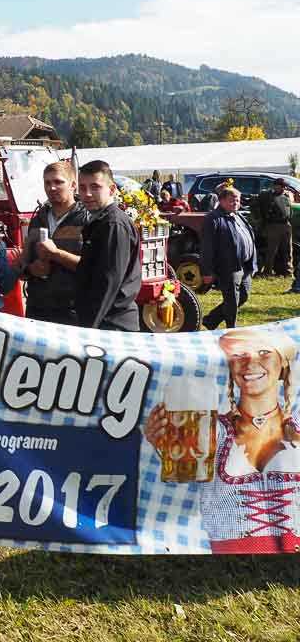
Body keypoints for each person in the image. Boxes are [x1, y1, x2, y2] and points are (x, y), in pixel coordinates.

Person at [145, 327, 300, 553]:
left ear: (282, 364)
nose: (250, 363)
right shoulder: (209, 428)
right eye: (239, 355)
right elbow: (183, 482)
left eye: (264, 353)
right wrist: (163, 445)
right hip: (230, 558)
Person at [74, 160, 142, 331]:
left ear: (111, 189)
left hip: (111, 325)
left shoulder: (113, 224)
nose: (87, 194)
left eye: (95, 187)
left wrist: (88, 329)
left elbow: (108, 282)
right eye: (82, 188)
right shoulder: (99, 221)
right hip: (105, 321)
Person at [22, 161, 89, 325]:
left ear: (73, 185)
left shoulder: (88, 220)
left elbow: (95, 268)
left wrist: (56, 255)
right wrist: (31, 269)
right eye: (47, 183)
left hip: (74, 312)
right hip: (37, 309)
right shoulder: (37, 220)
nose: (52, 188)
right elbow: (24, 264)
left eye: (58, 182)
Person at [201, 186, 257, 329]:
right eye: (232, 200)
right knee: (232, 299)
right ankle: (231, 328)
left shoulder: (238, 216)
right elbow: (207, 247)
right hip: (228, 266)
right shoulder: (213, 218)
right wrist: (207, 271)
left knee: (243, 296)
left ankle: (211, 320)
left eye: (237, 200)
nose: (236, 203)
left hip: (245, 265)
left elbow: (249, 237)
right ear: (221, 201)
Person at [257, 178, 293, 277]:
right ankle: (267, 271)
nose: (284, 188)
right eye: (282, 186)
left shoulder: (286, 195)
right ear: (276, 186)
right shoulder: (268, 196)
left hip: (286, 224)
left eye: (285, 187)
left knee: (287, 250)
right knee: (271, 250)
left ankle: (288, 271)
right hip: (273, 225)